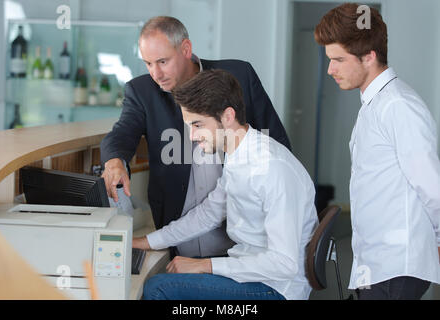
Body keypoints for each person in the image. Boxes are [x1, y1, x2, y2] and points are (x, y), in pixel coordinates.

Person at [100, 16, 291, 259]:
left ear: (186, 49)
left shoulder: (239, 75)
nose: (155, 73)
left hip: (242, 235)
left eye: (162, 61)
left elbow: (276, 142)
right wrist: (114, 160)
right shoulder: (142, 91)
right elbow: (122, 133)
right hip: (178, 231)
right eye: (148, 63)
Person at [133, 69, 318, 300]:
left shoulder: (271, 167)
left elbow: (284, 264)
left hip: (275, 288)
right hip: (249, 272)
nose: (191, 136)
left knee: (159, 288)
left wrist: (206, 266)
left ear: (228, 117)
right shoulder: (237, 154)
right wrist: (146, 241)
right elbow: (208, 214)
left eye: (198, 125)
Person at [314, 3, 440, 300]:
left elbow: (431, 186)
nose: (330, 69)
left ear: (369, 57)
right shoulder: (375, 104)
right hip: (377, 264)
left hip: (396, 266)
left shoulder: (398, 106)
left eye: (338, 60)